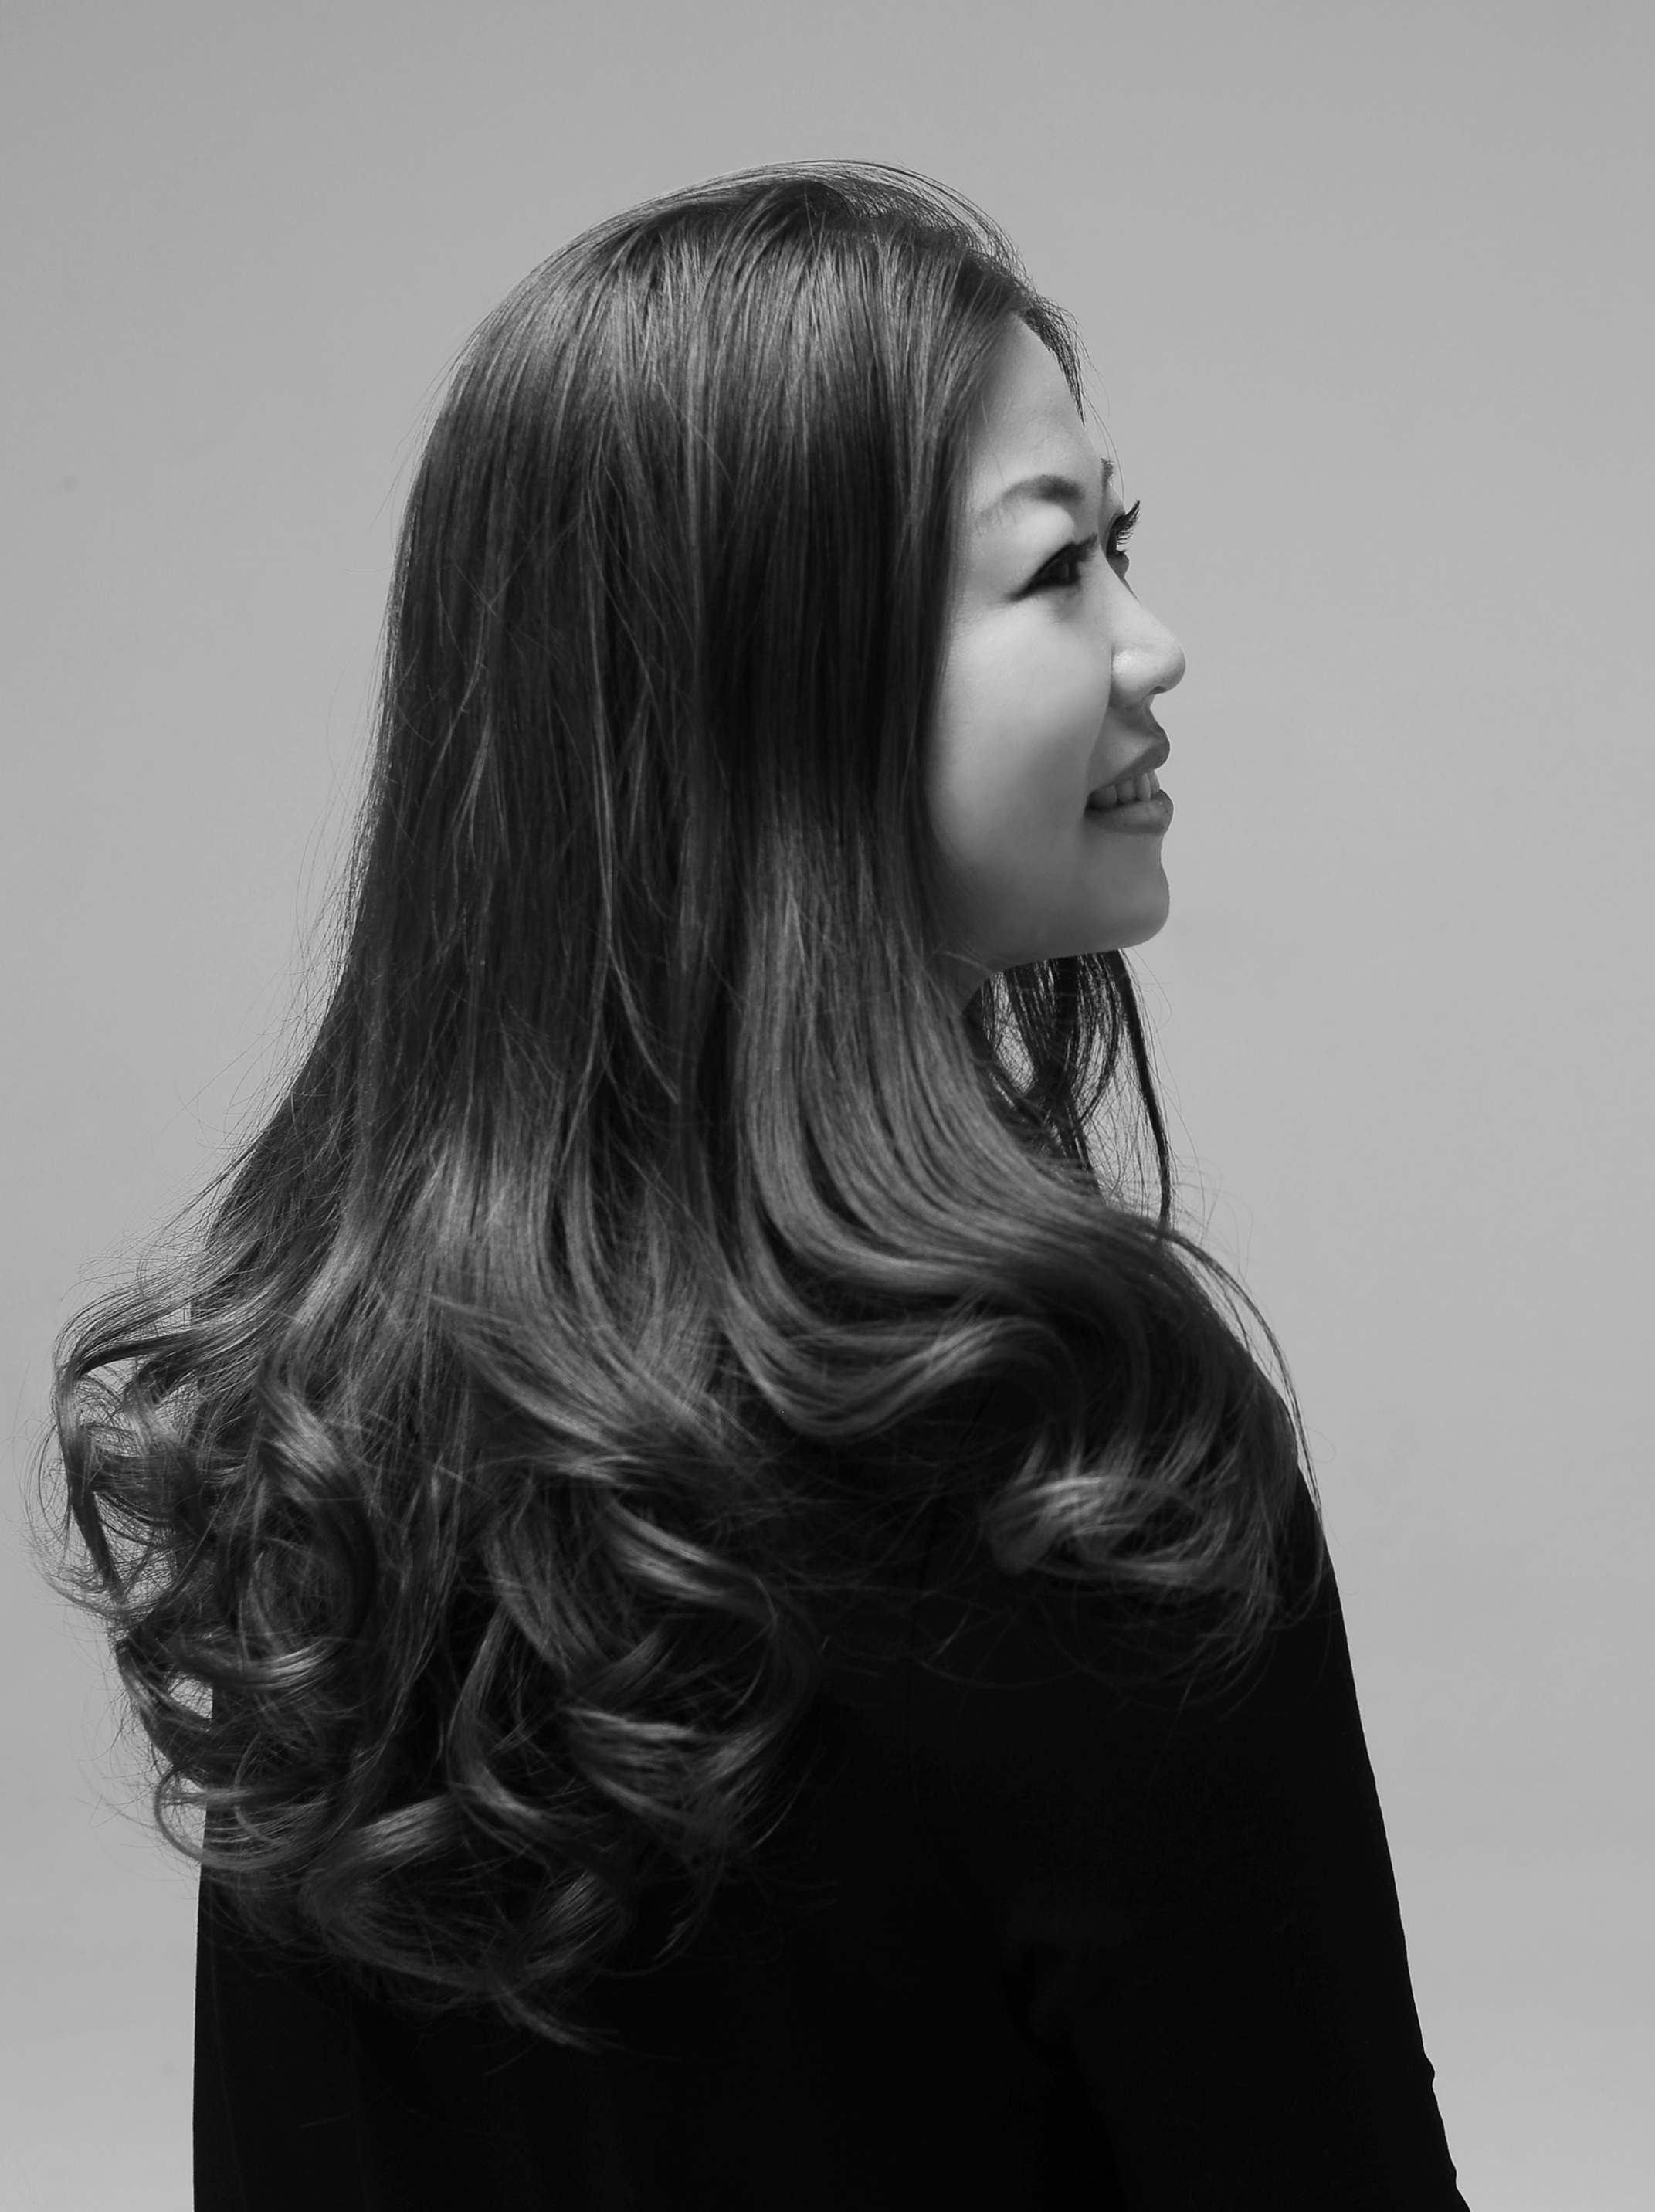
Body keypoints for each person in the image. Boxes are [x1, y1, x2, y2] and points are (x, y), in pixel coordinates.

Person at [46, 161, 1469, 2208]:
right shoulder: (1077, 1465)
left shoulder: (324, 1435)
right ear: (778, 683)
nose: (1154, 648)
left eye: (1121, 549)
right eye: (1055, 571)